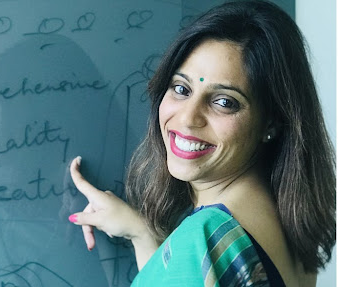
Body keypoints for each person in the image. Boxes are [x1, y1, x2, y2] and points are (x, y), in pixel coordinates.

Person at [68, 1, 336, 286]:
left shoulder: (206, 238)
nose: (187, 118)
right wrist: (141, 233)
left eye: (224, 102)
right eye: (181, 89)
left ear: (271, 122)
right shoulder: (289, 221)